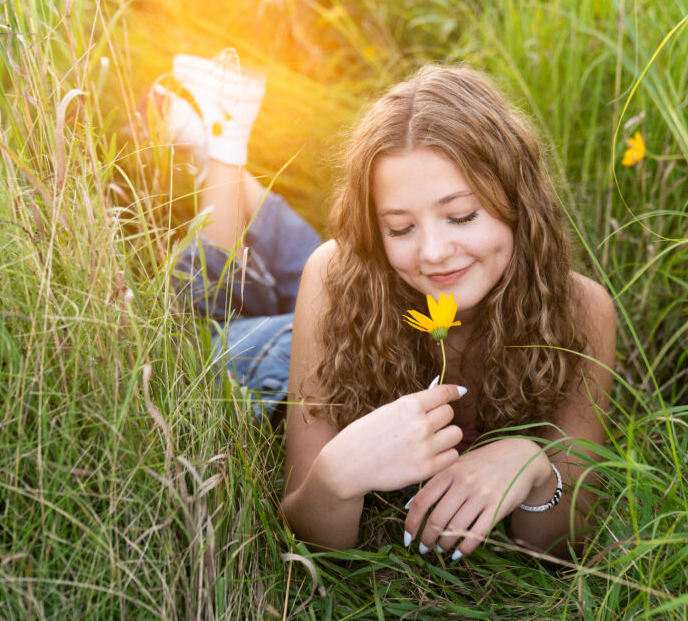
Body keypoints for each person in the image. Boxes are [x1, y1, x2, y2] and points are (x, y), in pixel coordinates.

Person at [282, 65, 616, 559]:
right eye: (400, 228)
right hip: (270, 351)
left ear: (517, 201)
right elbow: (308, 536)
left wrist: (535, 468)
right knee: (225, 279)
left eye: (461, 216)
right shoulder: (334, 277)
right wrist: (336, 476)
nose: (434, 252)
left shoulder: (583, 310)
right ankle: (223, 163)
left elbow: (560, 548)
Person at [150, 51, 322, 420]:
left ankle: (220, 147)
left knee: (194, 339)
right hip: (341, 323)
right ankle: (222, 145)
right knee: (323, 273)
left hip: (305, 346)